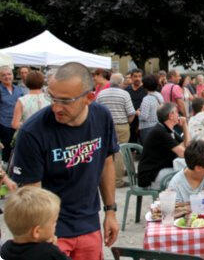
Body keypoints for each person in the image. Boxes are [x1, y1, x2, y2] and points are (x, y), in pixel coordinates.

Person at [11, 62, 120, 259]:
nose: (55, 107)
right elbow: (32, 192)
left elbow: (107, 162)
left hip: (89, 223)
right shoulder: (32, 132)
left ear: (89, 97)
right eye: (52, 97)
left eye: (65, 101)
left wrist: (110, 211)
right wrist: (43, 238)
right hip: (51, 232)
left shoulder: (102, 117)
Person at [1, 187, 70, 260]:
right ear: (36, 232)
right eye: (53, 222)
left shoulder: (6, 248)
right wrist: (54, 247)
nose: (56, 224)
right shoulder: (49, 253)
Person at [96, 73, 136, 188]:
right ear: (120, 83)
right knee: (119, 153)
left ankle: (104, 178)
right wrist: (127, 122)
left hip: (104, 127)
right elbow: (131, 113)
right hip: (121, 125)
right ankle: (117, 180)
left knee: (106, 153)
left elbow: (97, 110)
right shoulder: (124, 94)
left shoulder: (101, 94)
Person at [138, 103, 190, 189]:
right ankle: (180, 201)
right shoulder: (160, 132)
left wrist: (184, 125)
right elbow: (183, 153)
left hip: (161, 169)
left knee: (188, 173)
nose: (179, 115)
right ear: (171, 115)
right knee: (187, 174)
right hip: (151, 175)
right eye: (177, 112)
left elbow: (187, 145)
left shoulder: (167, 129)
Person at [0, 66, 25, 163]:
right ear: (0, 78)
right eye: (3, 75)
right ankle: (5, 172)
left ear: (13, 75)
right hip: (5, 126)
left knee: (18, 149)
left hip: (18, 125)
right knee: (6, 150)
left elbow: (23, 106)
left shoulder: (19, 89)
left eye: (9, 74)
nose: (7, 77)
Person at [138, 75, 164, 143]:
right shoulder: (159, 95)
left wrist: (138, 113)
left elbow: (144, 117)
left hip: (147, 128)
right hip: (158, 126)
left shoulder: (147, 99)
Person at [126, 68, 147, 143]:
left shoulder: (146, 89)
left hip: (143, 121)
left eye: (139, 76)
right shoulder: (127, 90)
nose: (137, 78)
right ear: (131, 77)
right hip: (130, 121)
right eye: (135, 76)